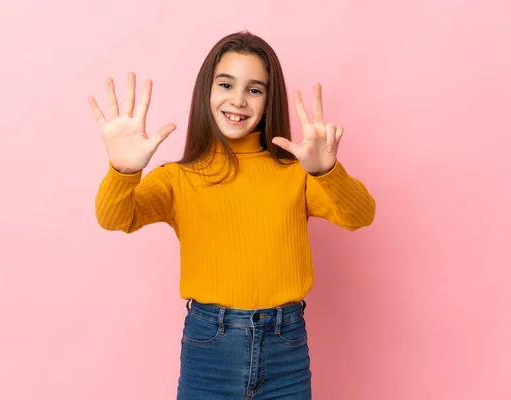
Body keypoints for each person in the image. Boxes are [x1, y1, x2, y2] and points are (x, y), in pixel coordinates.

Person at [87, 31, 375, 400]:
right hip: (210, 347)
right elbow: (114, 217)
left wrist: (326, 172)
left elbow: (360, 215)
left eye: (255, 89)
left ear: (270, 101)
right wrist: (123, 170)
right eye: (226, 84)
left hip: (285, 347)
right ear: (206, 90)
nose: (238, 99)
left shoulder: (295, 174)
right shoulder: (178, 178)